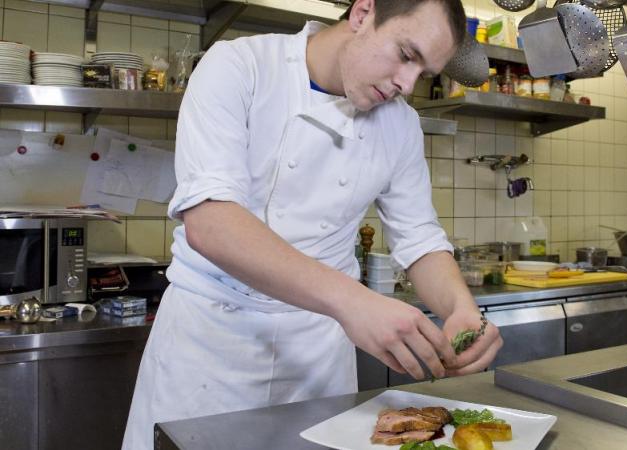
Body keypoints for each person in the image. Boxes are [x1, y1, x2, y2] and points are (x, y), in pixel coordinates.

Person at [122, 1, 502, 448]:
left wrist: (461, 309)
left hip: (317, 359)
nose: (406, 84)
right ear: (363, 13)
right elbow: (213, 222)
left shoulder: (401, 125)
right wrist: (352, 302)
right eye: (405, 54)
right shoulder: (241, 66)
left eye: (423, 73)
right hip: (210, 348)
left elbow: (419, 237)